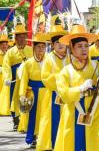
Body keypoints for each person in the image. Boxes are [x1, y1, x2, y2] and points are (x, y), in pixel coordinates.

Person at [54, 22, 99, 151]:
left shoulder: (97, 66)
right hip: (74, 114)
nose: (84, 49)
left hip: (95, 115)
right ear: (71, 48)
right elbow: (63, 94)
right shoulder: (66, 71)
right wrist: (80, 89)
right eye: (79, 46)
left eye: (86, 46)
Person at [37, 16, 69, 150]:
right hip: (53, 95)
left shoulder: (71, 57)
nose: (60, 44)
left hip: (69, 95)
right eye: (57, 43)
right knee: (51, 120)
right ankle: (51, 144)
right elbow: (45, 77)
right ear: (52, 45)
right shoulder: (48, 58)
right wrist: (61, 79)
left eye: (62, 42)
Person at [0, 17, 33, 131]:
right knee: (14, 99)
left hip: (28, 78)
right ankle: (15, 120)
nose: (22, 39)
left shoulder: (30, 49)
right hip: (15, 78)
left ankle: (27, 120)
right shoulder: (10, 51)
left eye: (24, 37)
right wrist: (8, 77)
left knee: (27, 98)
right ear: (15, 38)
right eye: (19, 37)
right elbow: (6, 65)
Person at [19, 33, 49, 148]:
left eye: (43, 47)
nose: (41, 49)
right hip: (33, 92)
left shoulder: (49, 61)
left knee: (45, 116)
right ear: (34, 48)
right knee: (33, 116)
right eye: (38, 47)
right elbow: (24, 80)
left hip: (46, 91)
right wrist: (22, 94)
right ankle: (33, 137)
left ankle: (44, 137)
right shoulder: (28, 63)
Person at [0, 28, 9, 93]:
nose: (4, 46)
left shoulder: (10, 55)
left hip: (7, 82)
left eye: (6, 44)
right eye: (2, 44)